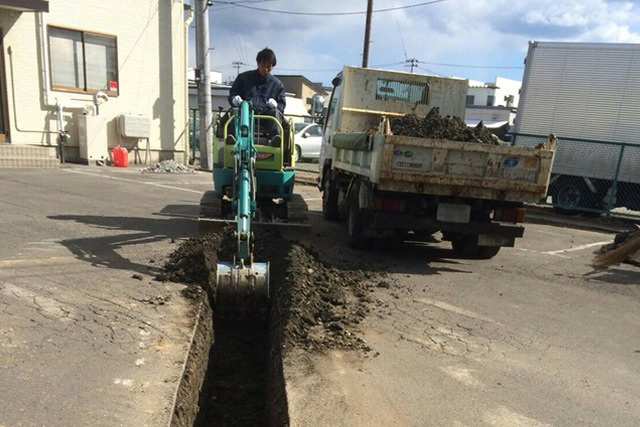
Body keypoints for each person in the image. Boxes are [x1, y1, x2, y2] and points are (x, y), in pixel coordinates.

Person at [228, 47, 286, 145]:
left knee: (275, 113)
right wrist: (234, 99)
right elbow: (232, 95)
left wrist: (276, 105)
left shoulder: (277, 84)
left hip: (266, 117)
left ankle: (275, 139)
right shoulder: (243, 78)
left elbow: (282, 105)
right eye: (264, 65)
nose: (266, 69)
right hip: (246, 115)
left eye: (269, 66)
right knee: (235, 111)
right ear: (258, 63)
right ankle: (233, 138)